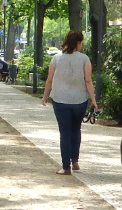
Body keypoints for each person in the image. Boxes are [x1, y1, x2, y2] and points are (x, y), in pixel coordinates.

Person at [41, 31, 99, 176]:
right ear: (78, 43)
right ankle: (75, 160)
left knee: (65, 133)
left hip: (60, 100)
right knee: (76, 130)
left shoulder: (56, 58)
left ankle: (66, 167)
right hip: (80, 100)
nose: (81, 45)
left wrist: (45, 96)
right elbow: (88, 80)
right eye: (81, 43)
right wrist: (93, 99)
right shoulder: (84, 59)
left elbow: (49, 79)